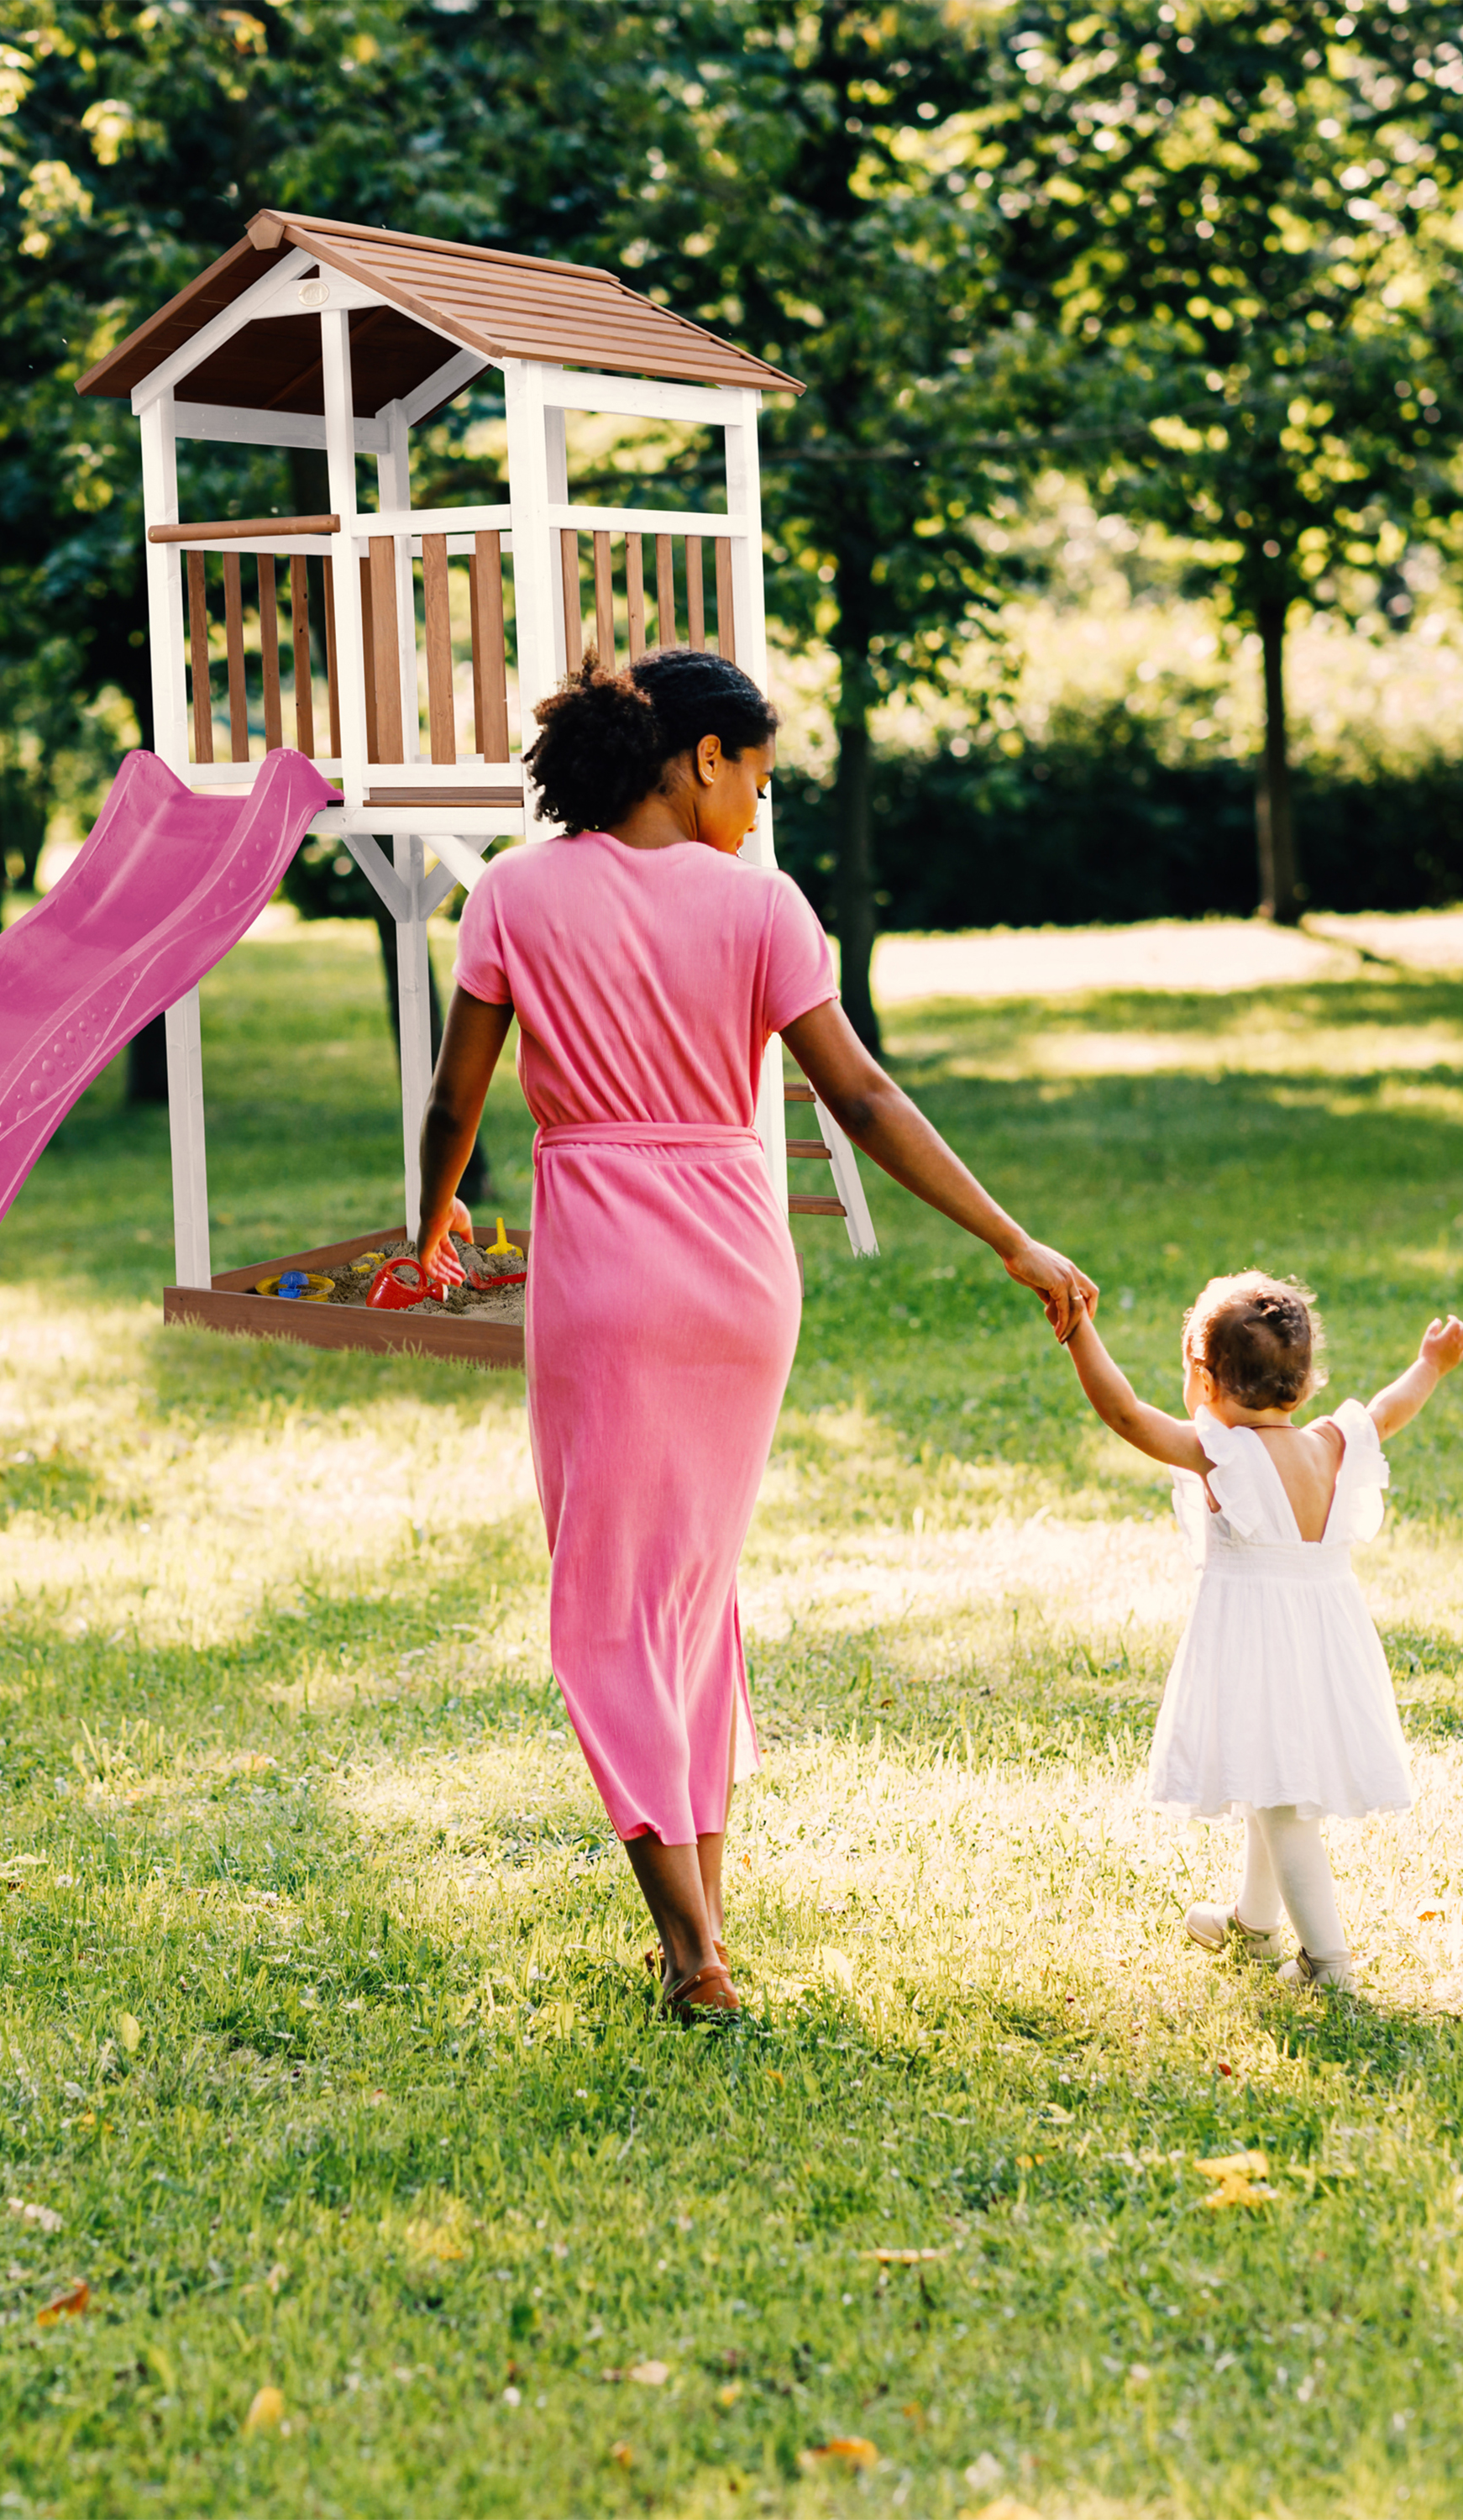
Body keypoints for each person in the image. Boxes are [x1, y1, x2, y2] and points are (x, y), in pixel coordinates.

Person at [411, 649, 1097, 2020]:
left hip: (604, 1272)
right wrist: (1009, 1235)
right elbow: (863, 1098)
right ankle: (703, 1927)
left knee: (610, 1606)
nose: (759, 809)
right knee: (689, 1595)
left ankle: (690, 1950)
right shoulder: (763, 908)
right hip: (738, 1273)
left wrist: (426, 1225)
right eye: (759, 778)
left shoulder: (512, 893)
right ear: (700, 758)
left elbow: (455, 1100)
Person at [1059, 1269, 1463, 1990]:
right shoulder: (1333, 1443)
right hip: (1324, 1645)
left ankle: (1328, 1964)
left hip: (1259, 1648)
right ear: (1305, 1384)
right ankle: (1253, 1925)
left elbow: (1124, 1413)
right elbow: (1390, 1407)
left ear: (1205, 1381)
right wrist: (1429, 1364)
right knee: (1267, 1777)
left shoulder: (1222, 1455)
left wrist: (1077, 1329)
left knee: (1283, 1806)